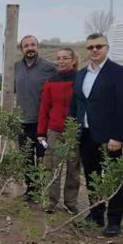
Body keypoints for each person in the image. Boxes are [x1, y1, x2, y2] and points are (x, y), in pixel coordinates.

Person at [70, 33, 123, 237]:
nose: (94, 50)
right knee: (91, 175)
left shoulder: (119, 73)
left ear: (107, 48)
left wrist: (117, 137)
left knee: (113, 178)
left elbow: (122, 107)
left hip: (109, 137)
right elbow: (77, 104)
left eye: (99, 46)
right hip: (86, 134)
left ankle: (114, 220)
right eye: (90, 47)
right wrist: (73, 129)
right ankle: (96, 213)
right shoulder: (81, 75)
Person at [37, 48, 80, 214]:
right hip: (54, 130)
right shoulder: (51, 82)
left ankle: (71, 203)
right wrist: (41, 132)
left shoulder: (80, 79)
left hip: (73, 131)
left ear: (73, 60)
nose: (61, 61)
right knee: (52, 167)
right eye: (59, 58)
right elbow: (44, 108)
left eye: (66, 58)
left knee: (73, 169)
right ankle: (51, 201)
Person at [14, 35, 56, 198]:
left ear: (38, 47)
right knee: (26, 157)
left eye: (33, 45)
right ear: (21, 49)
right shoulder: (16, 67)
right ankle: (31, 190)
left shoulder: (49, 68)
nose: (30, 48)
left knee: (43, 156)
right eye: (26, 46)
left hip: (42, 124)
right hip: (22, 123)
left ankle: (44, 191)